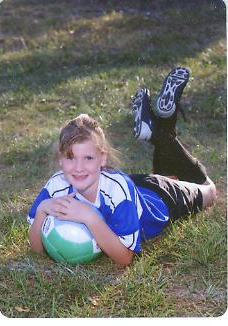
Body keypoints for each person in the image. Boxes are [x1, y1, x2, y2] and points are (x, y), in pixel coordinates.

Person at [27, 67, 216, 267]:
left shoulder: (118, 191)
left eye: (88, 158)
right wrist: (41, 211)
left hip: (161, 197)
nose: (79, 167)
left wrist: (90, 218)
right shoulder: (56, 185)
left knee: (210, 190)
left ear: (102, 159)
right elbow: (37, 249)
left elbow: (124, 259)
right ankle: (160, 132)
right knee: (166, 171)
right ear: (60, 159)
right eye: (71, 157)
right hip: (131, 187)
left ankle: (165, 131)